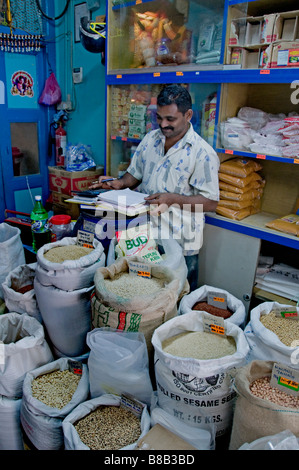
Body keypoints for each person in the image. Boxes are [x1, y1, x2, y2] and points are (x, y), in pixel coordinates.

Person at [90, 84, 219, 290]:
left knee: (178, 293)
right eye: (159, 117)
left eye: (170, 119)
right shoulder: (151, 140)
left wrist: (173, 199)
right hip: (145, 236)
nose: (163, 124)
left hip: (180, 240)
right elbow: (136, 174)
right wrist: (120, 183)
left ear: (188, 115)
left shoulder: (202, 153)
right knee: (145, 291)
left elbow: (211, 202)